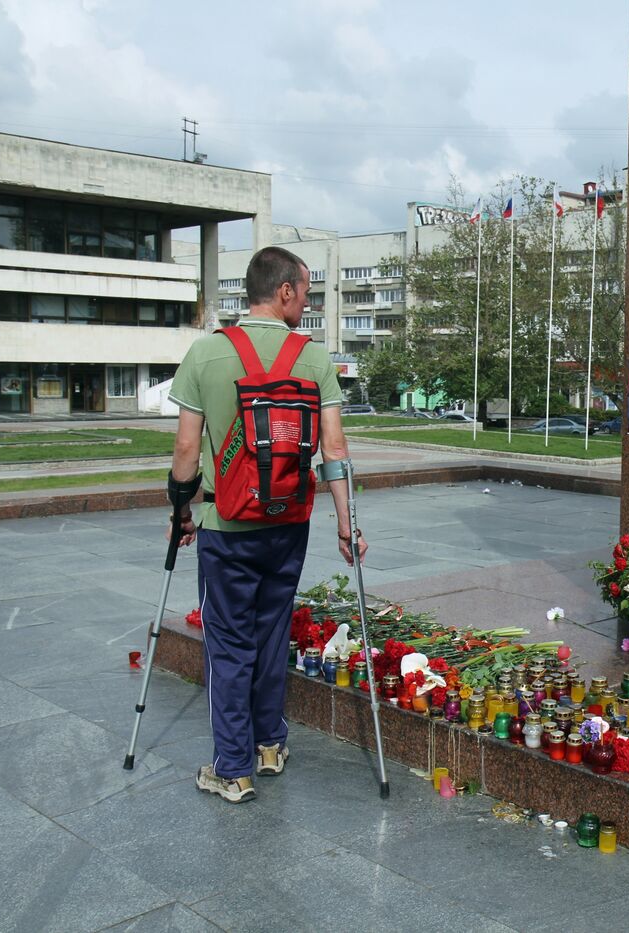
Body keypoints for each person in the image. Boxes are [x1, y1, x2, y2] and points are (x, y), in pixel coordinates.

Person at [167, 246, 367, 803]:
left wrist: (182, 512)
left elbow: (186, 449)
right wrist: (347, 526)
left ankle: (232, 767)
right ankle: (270, 744)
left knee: (228, 642)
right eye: (305, 291)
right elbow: (335, 450)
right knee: (272, 632)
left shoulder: (205, 353)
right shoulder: (313, 359)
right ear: (282, 291)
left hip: (225, 523)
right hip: (288, 522)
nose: (306, 301)